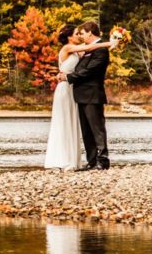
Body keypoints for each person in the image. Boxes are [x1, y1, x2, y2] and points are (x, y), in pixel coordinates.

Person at [44, 24, 115, 170]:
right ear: (70, 36)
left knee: (94, 128)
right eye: (77, 33)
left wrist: (67, 76)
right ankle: (88, 160)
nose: (80, 36)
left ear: (89, 33)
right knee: (77, 126)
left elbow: (88, 70)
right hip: (69, 90)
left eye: (81, 33)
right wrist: (111, 42)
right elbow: (87, 51)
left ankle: (101, 160)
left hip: (86, 92)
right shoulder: (69, 48)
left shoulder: (95, 51)